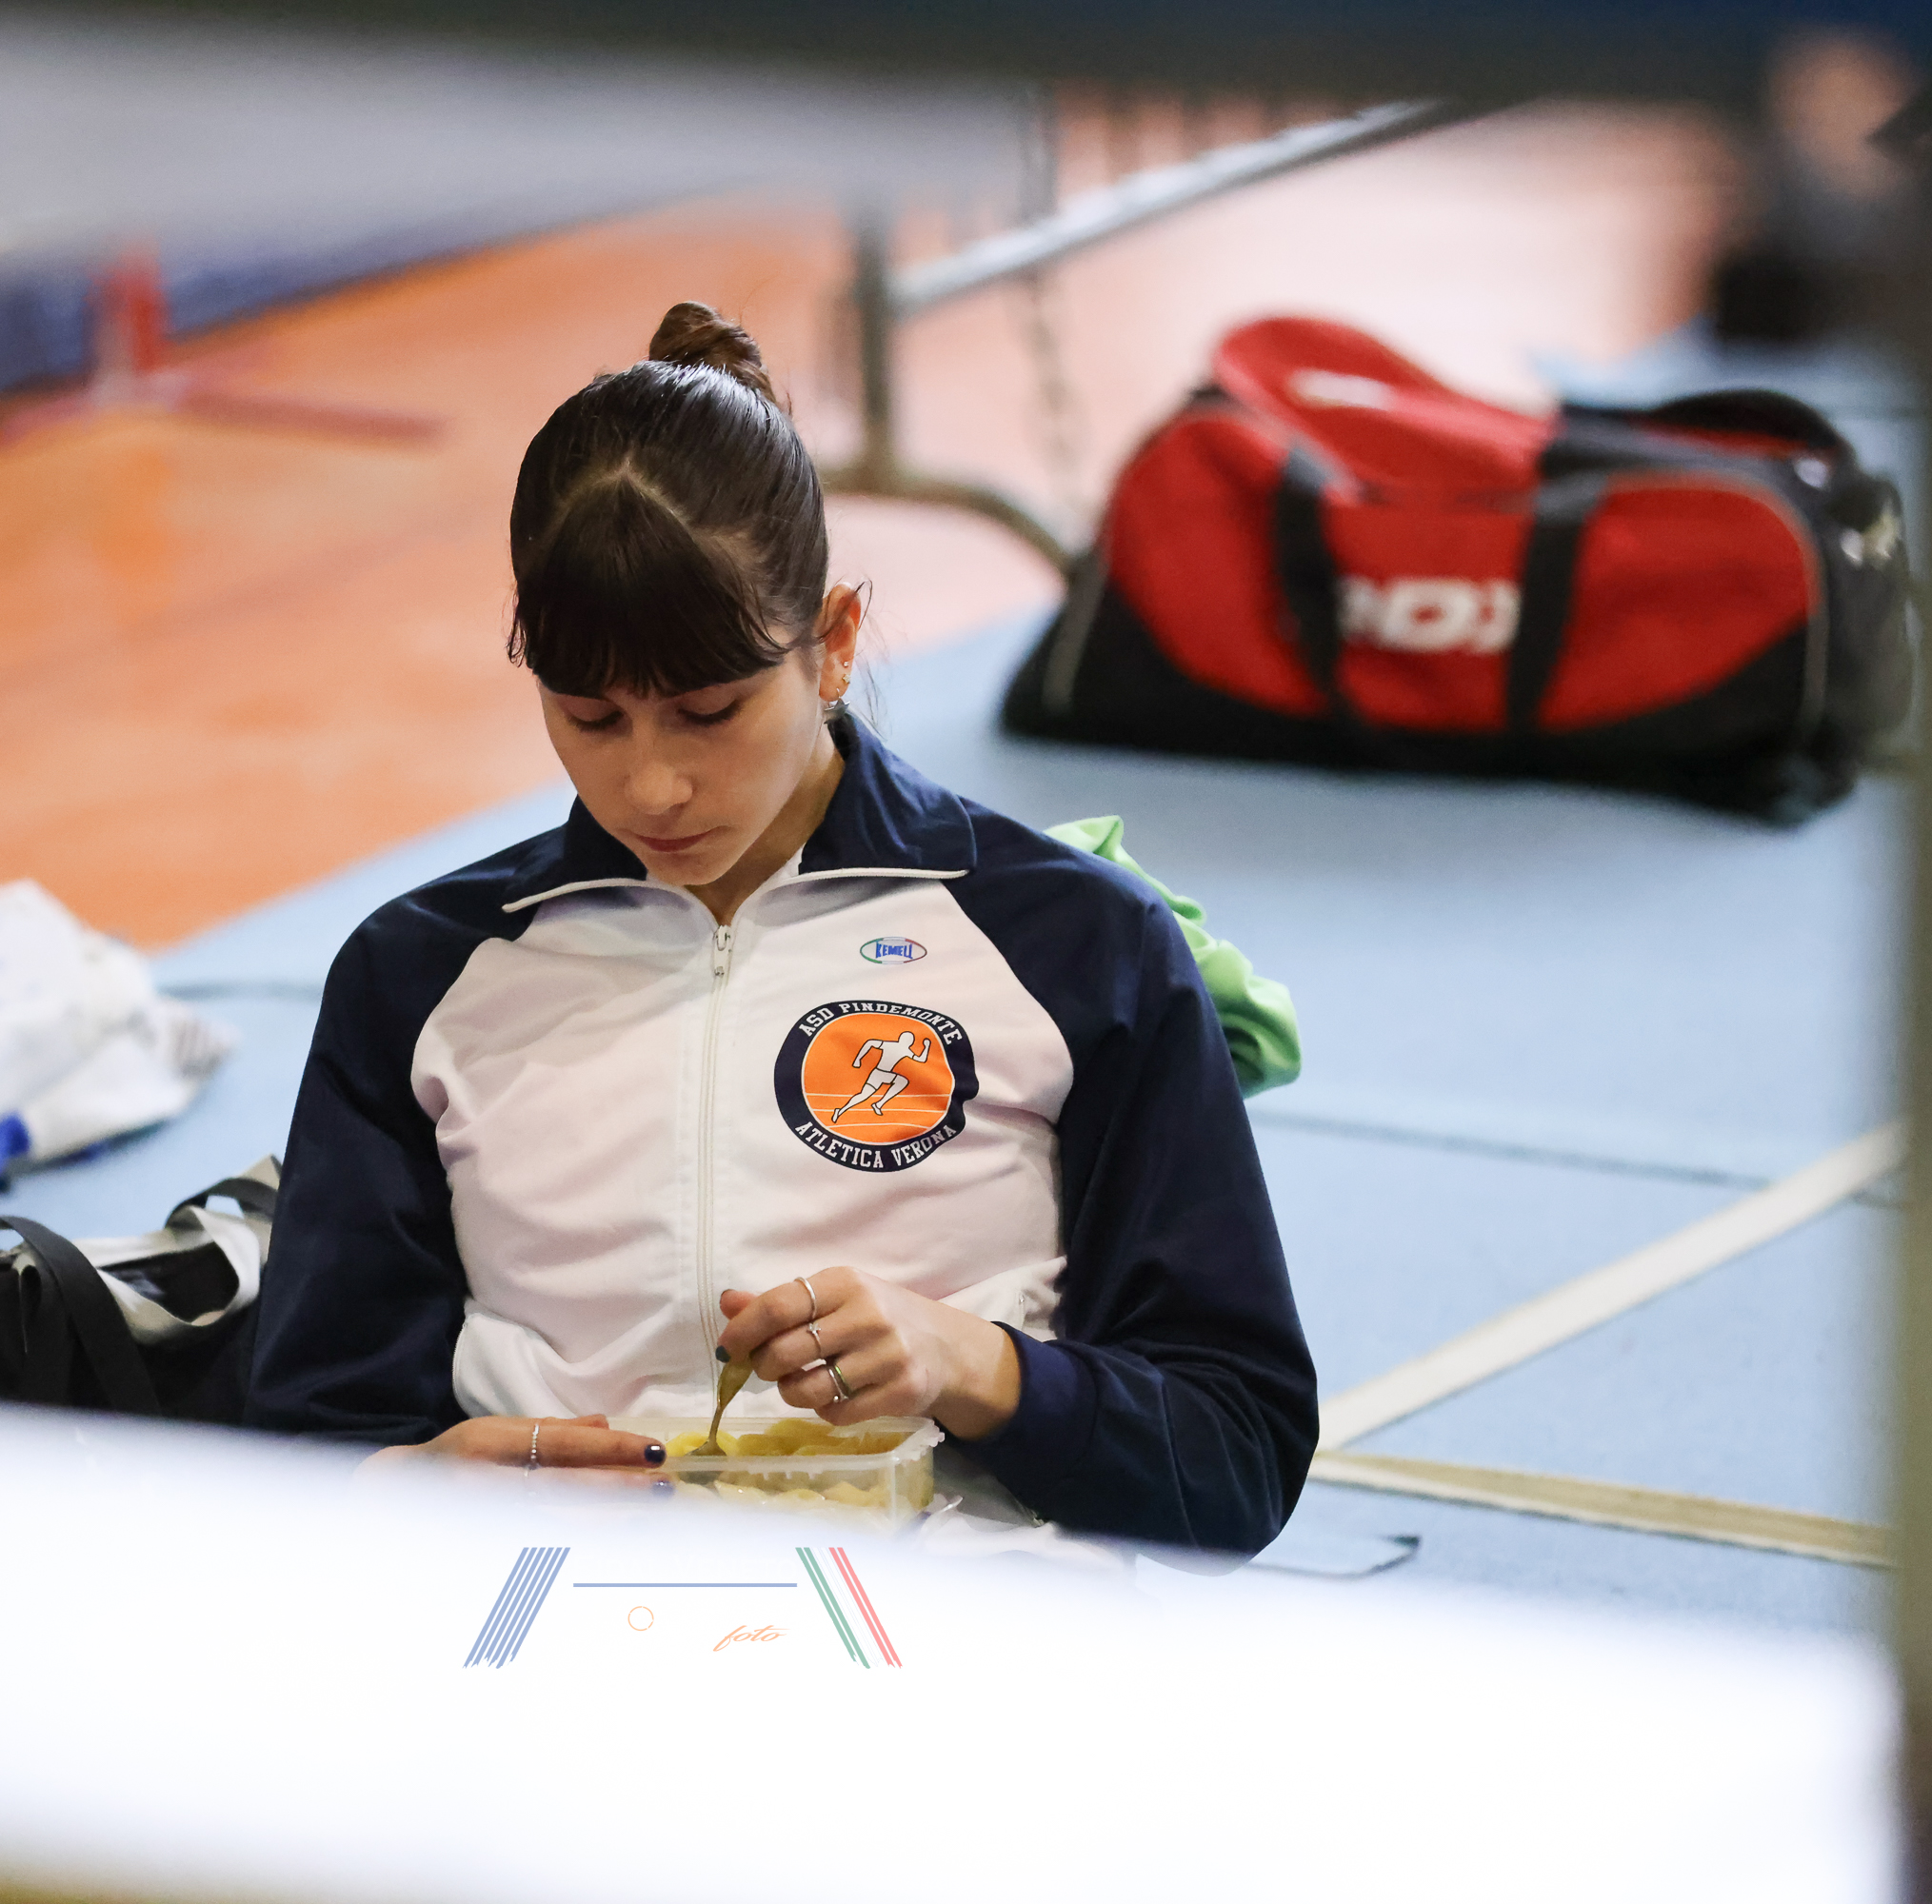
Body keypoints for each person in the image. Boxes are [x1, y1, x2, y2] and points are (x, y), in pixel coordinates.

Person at [244, 302, 1316, 1552]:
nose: (652, 786)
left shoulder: (1076, 946)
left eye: (710, 712)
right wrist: (407, 1490)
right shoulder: (419, 977)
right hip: (549, 1623)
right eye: (590, 718)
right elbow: (301, 1456)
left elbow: (1235, 1458)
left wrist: (973, 1363)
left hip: (959, 1624)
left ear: (834, 644)